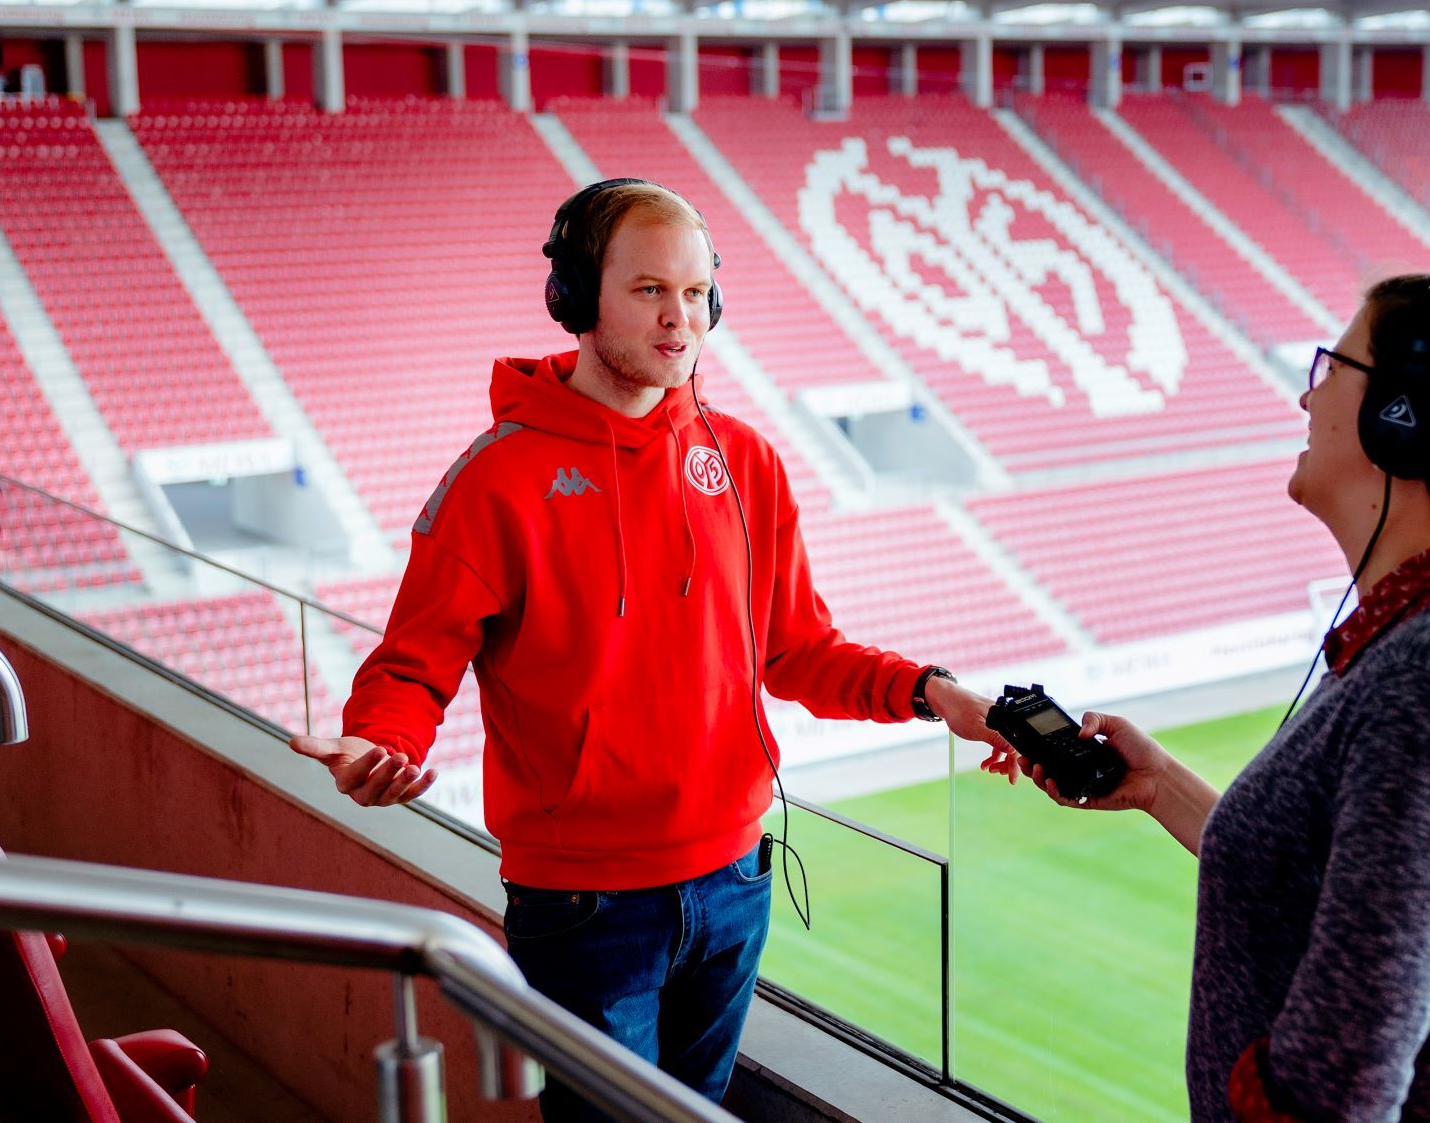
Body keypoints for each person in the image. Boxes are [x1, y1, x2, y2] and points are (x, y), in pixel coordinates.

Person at [291, 178, 1013, 1120]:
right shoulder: (496, 479)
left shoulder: (745, 458)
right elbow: (411, 667)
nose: (682, 320)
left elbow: (797, 650)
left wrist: (933, 692)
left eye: (697, 292)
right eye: (648, 291)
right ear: (577, 296)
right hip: (586, 907)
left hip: (737, 881)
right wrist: (381, 741)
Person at [1014, 270, 1430, 1122]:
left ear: (1402, 418)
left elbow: (1341, 1082)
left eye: (1332, 369)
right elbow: (1345, 896)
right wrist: (1162, 787)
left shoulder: (1427, 682)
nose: (1305, 397)